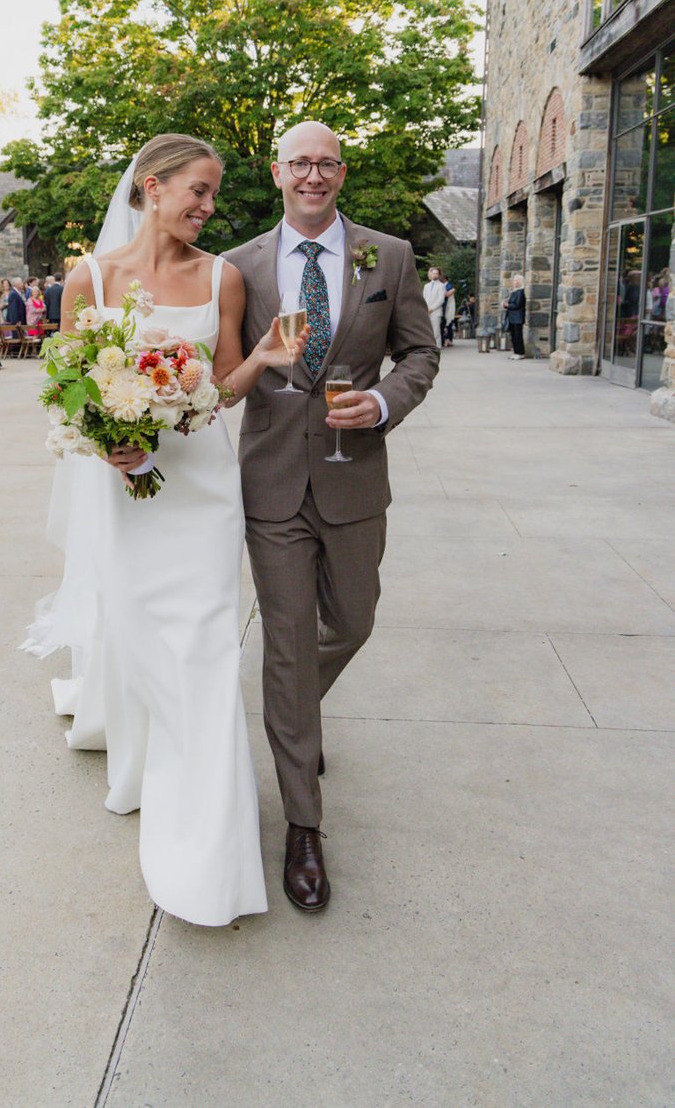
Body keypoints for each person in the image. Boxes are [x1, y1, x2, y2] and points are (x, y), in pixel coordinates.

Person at [22, 133, 303, 927]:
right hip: (126, 491)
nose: (209, 208)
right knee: (146, 644)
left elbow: (219, 385)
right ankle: (152, 760)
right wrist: (105, 437)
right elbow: (67, 384)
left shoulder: (223, 277)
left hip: (204, 488)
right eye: (199, 191)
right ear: (152, 187)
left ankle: (211, 848)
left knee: (210, 651)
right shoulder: (90, 279)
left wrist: (269, 357)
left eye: (214, 195)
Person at [224, 120, 439, 913]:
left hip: (355, 479)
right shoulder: (239, 265)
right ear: (276, 173)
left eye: (326, 163)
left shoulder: (389, 255)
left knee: (350, 623)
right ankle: (303, 826)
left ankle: (295, 716)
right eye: (299, 164)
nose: (313, 175)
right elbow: (226, 375)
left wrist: (383, 401)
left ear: (341, 173)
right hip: (273, 483)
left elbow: (421, 352)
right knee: (286, 641)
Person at [503, 274, 527, 359]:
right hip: (512, 317)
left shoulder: (521, 292)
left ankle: (520, 352)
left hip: (518, 317)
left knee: (518, 336)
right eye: (514, 281)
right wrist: (506, 305)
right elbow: (511, 303)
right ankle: (516, 352)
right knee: (513, 335)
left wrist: (508, 305)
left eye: (516, 281)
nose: (514, 282)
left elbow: (517, 305)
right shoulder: (514, 292)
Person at [423, 266, 445, 346]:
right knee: (427, 330)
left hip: (436, 312)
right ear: (431, 274)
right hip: (426, 311)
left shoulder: (441, 286)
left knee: (436, 331)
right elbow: (424, 298)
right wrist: (425, 308)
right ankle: (428, 346)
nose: (434, 275)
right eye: (433, 273)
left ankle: (437, 347)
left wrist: (431, 309)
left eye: (436, 274)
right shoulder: (426, 286)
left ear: (439, 275)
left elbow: (441, 300)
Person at [441, 272, 456, 347]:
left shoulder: (448, 285)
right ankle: (446, 339)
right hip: (444, 307)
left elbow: (448, 293)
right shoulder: (444, 285)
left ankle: (448, 339)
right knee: (446, 324)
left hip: (447, 307)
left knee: (448, 323)